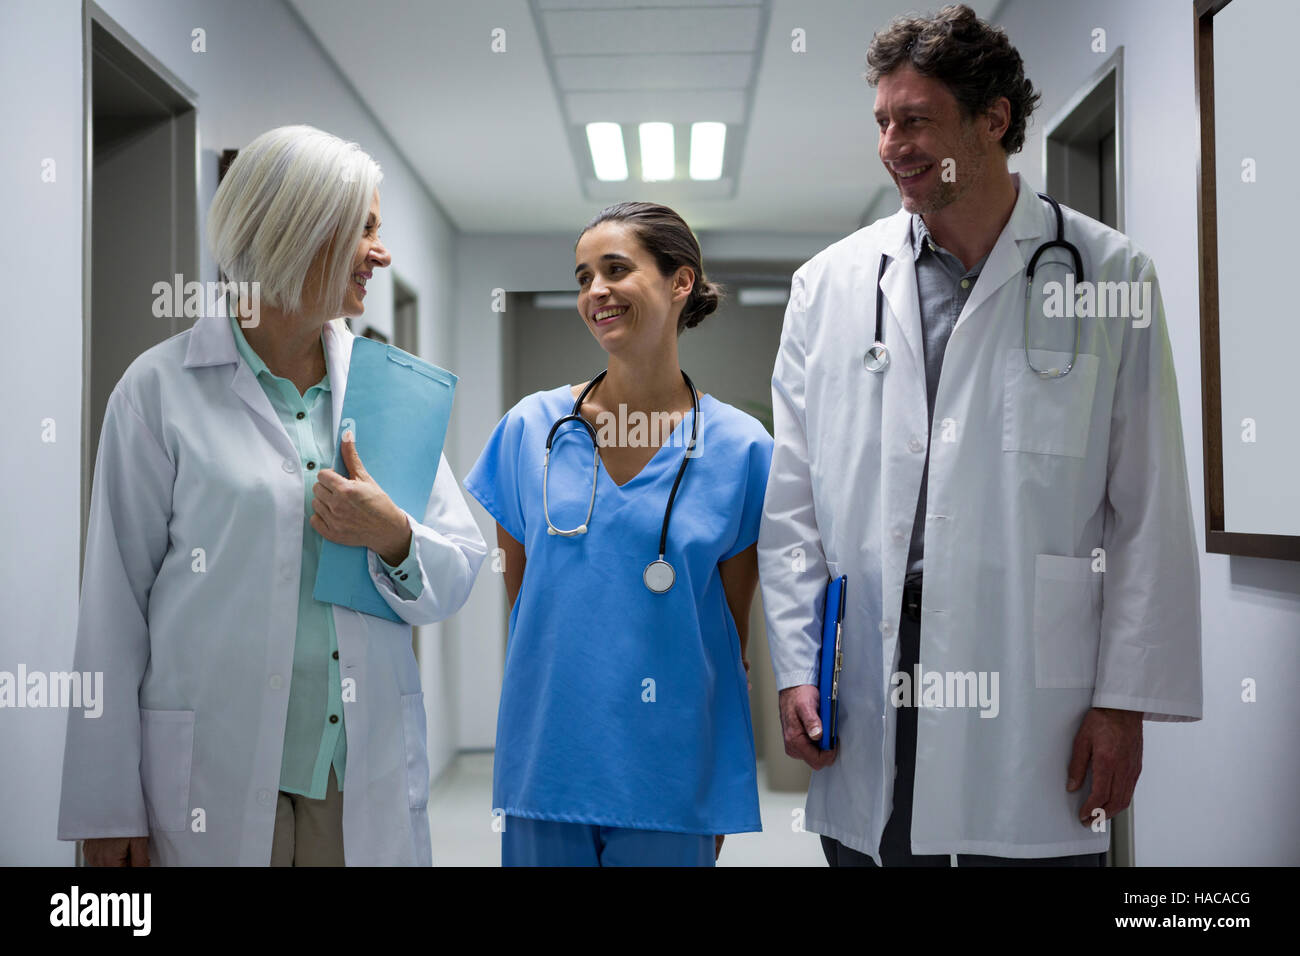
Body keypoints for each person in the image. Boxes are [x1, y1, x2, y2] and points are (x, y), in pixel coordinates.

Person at [758, 5, 1201, 866]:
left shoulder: (1110, 275)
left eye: (916, 120)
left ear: (993, 120)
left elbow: (1150, 506)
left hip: (1034, 685)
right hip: (874, 664)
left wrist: (1124, 703)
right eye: (883, 122)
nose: (893, 144)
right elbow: (792, 506)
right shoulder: (831, 285)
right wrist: (796, 665)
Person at [57, 125, 487, 866]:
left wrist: (394, 536)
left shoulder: (390, 391)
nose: (381, 254)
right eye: (366, 230)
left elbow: (457, 569)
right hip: (208, 771)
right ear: (300, 230)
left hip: (352, 774)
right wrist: (106, 802)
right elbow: (112, 609)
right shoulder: (159, 391)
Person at [464, 202, 771, 866]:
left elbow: (726, 631)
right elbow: (526, 601)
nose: (594, 292)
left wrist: (711, 787)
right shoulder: (530, 430)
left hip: (669, 769)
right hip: (550, 760)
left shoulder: (741, 448)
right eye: (582, 277)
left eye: (616, 269)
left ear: (680, 281)